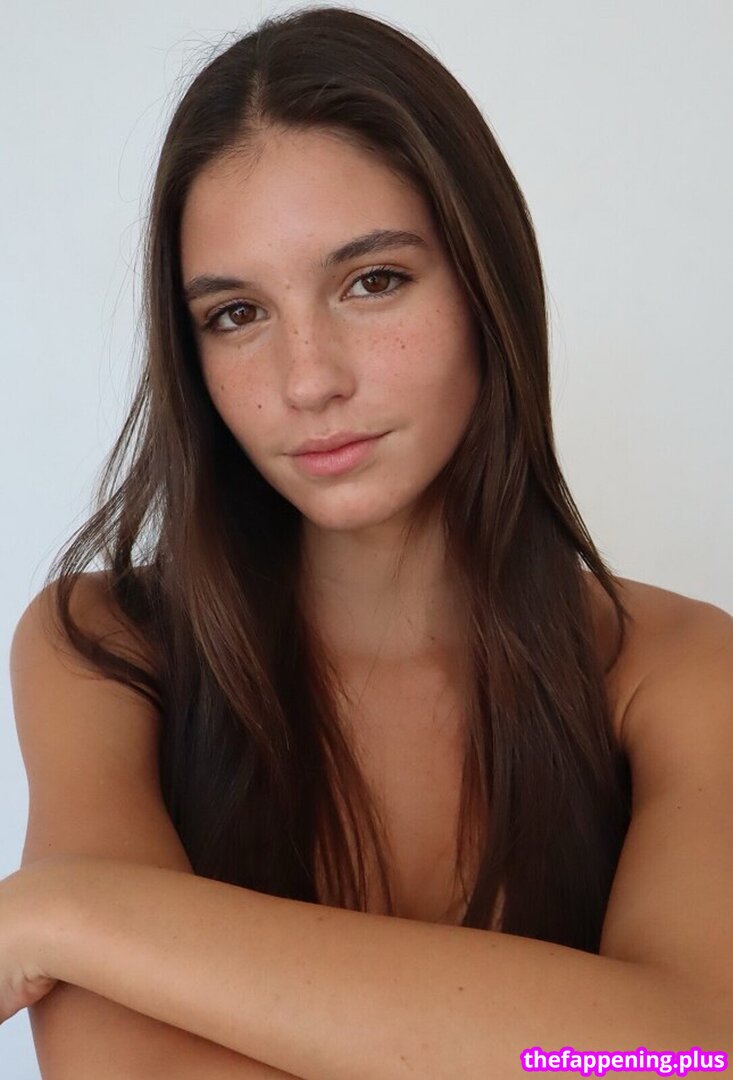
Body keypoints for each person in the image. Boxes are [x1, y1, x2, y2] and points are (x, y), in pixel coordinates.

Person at [3, 6, 732, 1077]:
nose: (308, 380)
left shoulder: (675, 669)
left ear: (486, 282)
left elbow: (686, 1054)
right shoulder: (106, 646)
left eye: (372, 280)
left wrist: (63, 912)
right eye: (236, 313)